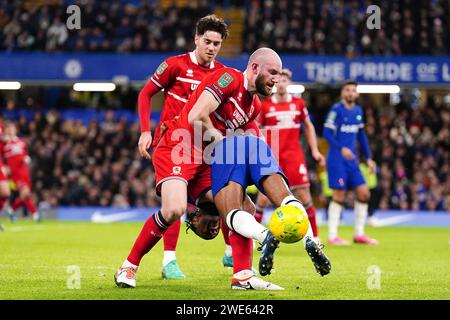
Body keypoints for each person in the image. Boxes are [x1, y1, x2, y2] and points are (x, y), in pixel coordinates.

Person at [114, 47, 282, 289]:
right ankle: (129, 266)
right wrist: (223, 144)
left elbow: (253, 145)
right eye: (273, 72)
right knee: (174, 209)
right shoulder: (228, 78)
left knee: (243, 204)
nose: (276, 79)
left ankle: (243, 276)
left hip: (206, 160)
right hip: (178, 147)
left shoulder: (253, 106)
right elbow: (195, 117)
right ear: (255, 67)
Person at [136, 14, 229, 279]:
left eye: (217, 44)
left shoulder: (222, 75)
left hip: (204, 149)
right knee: (174, 204)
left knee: (227, 193)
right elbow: (145, 94)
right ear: (196, 39)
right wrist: (145, 131)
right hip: (175, 146)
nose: (211, 48)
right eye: (207, 41)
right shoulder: (174, 65)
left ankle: (232, 253)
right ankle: (169, 261)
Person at [210, 134, 331, 290]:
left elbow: (196, 117)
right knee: (285, 199)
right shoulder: (252, 108)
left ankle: (265, 236)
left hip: (227, 147)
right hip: (256, 143)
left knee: (231, 211)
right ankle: (310, 239)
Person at [255, 68, 324, 241]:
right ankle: (255, 239)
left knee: (304, 196)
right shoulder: (265, 106)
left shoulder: (298, 104)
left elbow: (308, 126)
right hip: (272, 158)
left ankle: (314, 238)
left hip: (294, 157)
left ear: (290, 83)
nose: (281, 84)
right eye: (278, 81)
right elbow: (256, 129)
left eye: (284, 81)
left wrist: (315, 150)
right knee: (263, 199)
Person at [323, 80, 378, 245]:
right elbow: (326, 133)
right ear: (342, 93)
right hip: (337, 159)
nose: (350, 93)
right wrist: (341, 148)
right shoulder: (336, 110)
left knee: (364, 193)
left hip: (352, 161)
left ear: (357, 93)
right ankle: (333, 236)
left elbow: (361, 136)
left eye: (353, 90)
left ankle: (359, 234)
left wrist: (368, 158)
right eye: (347, 90)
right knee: (339, 194)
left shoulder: (358, 111)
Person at [0, 121, 39, 221]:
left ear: (15, 130)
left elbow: (25, 153)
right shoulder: (4, 144)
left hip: (25, 171)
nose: (11, 131)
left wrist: (27, 158)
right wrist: (4, 167)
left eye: (12, 129)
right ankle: (35, 214)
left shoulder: (21, 142)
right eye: (9, 129)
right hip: (15, 173)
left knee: (25, 194)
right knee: (24, 192)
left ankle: (12, 210)